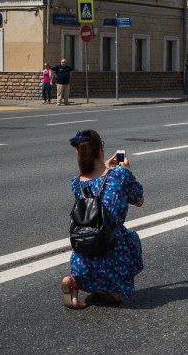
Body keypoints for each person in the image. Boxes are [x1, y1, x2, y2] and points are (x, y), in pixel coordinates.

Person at [62, 129, 145, 309]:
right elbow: (139, 201)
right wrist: (126, 171)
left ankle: (76, 281)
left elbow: (95, 181)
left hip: (84, 249)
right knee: (131, 238)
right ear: (102, 150)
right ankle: (109, 287)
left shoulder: (76, 182)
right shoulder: (119, 175)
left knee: (90, 271)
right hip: (111, 245)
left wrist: (104, 167)